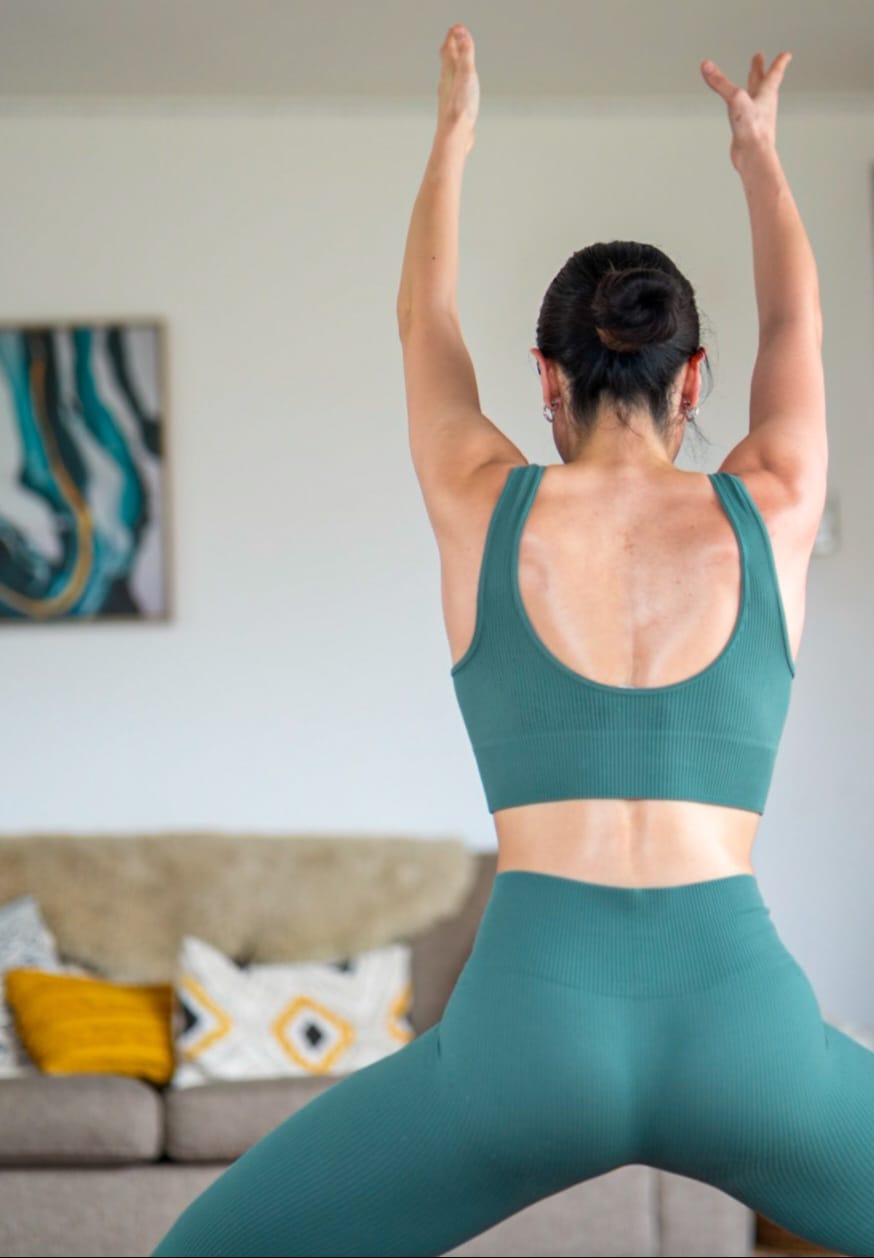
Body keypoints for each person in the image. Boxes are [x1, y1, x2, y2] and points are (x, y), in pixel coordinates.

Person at [152, 25, 874, 1258]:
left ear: (545, 377)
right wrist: (758, 156)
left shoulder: (481, 501)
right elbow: (796, 320)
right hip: (741, 1031)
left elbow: (420, 318)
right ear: (693, 379)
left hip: (528, 1035)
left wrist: (452, 136)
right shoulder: (774, 502)